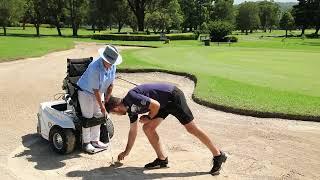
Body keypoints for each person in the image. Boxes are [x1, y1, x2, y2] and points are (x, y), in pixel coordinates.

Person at [105, 83, 227, 175]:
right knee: (148, 128)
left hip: (173, 97)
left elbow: (155, 105)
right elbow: (133, 131)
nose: (116, 115)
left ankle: (218, 155)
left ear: (116, 107)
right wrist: (126, 152)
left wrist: (148, 117)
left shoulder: (132, 97)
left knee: (191, 128)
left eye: (114, 113)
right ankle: (162, 159)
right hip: (163, 103)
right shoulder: (131, 110)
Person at [77, 45, 122, 153]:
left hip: (100, 91)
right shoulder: (94, 68)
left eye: (112, 63)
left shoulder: (112, 65)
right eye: (109, 62)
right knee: (88, 116)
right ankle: (86, 143)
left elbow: (111, 84)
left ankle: (95, 141)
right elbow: (95, 91)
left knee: (98, 115)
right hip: (86, 92)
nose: (111, 65)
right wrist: (102, 107)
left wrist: (107, 98)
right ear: (104, 58)